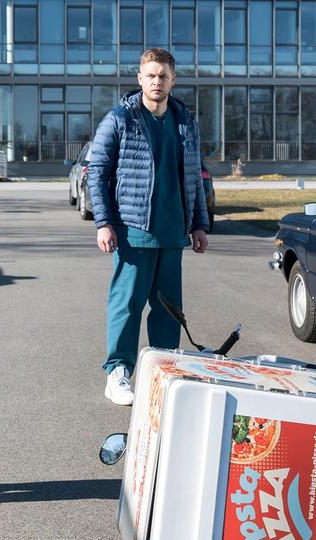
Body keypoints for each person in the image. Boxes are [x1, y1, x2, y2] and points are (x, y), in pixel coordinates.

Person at [87, 48, 210, 406]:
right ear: (140, 78)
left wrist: (200, 224)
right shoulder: (120, 119)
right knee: (127, 304)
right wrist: (104, 222)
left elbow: (195, 177)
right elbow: (97, 172)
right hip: (133, 230)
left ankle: (163, 372)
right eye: (151, 75)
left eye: (164, 76)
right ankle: (118, 373)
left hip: (173, 233)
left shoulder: (184, 121)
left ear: (174, 80)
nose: (157, 82)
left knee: (168, 310)